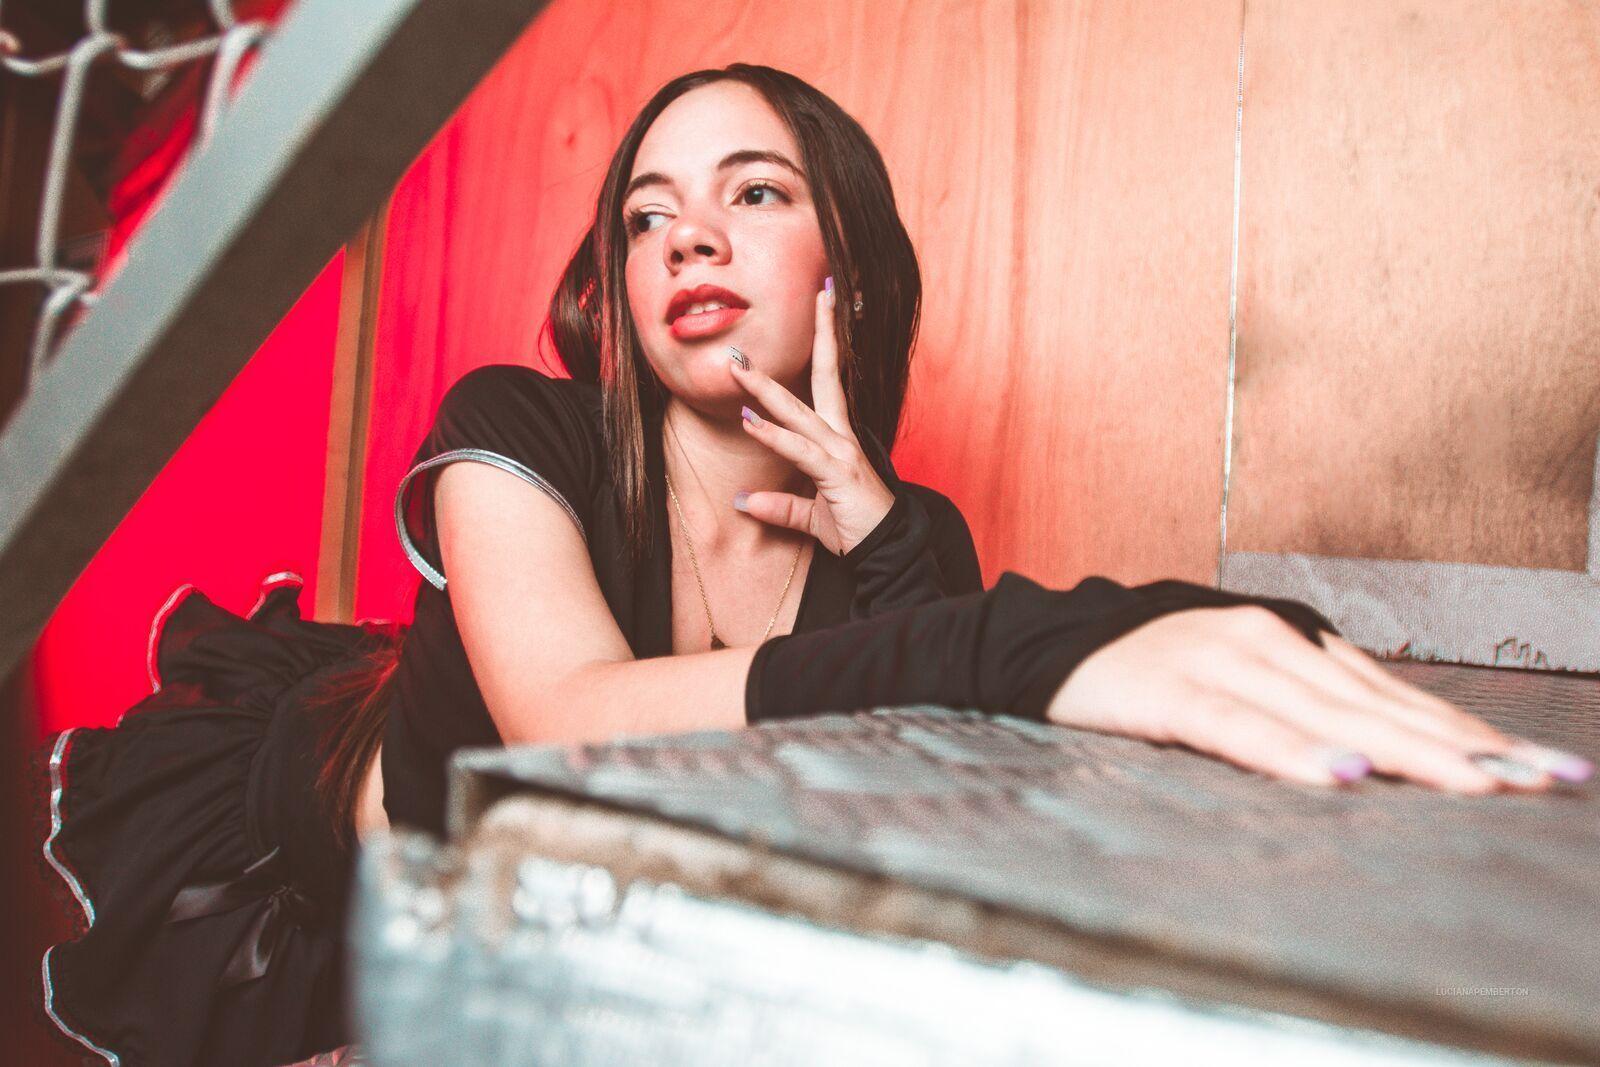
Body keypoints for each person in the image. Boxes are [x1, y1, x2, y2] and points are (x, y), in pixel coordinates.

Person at [36, 62, 1592, 1067]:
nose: (689, 238)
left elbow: (929, 831)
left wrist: (908, 555)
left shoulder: (908, 549)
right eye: (647, 216)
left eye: (754, 193)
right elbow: (571, 724)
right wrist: (1033, 640)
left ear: (843, 260)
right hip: (308, 863)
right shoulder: (515, 429)